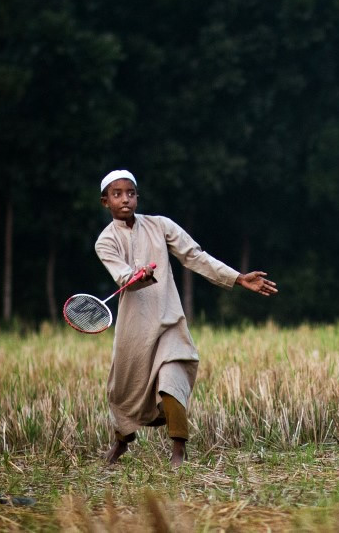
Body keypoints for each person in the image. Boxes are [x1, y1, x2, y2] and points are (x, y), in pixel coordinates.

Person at [94, 169, 278, 468]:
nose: (125, 199)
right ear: (106, 202)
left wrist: (238, 278)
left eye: (130, 193)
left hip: (168, 321)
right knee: (122, 392)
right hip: (134, 329)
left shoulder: (160, 225)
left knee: (171, 382)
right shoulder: (105, 241)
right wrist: (136, 277)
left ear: (138, 197)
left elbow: (195, 256)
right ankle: (122, 441)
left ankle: (178, 451)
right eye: (117, 194)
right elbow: (121, 275)